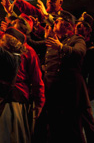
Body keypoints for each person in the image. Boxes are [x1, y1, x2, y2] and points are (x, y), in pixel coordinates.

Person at [33, 11, 92, 142]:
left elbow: (80, 52)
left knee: (72, 129)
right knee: (52, 129)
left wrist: (61, 47)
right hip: (51, 92)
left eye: (57, 21)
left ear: (67, 26)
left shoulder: (77, 39)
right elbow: (32, 44)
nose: (53, 24)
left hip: (69, 93)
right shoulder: (53, 41)